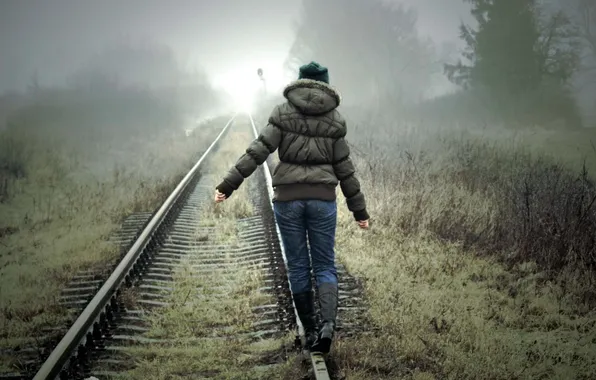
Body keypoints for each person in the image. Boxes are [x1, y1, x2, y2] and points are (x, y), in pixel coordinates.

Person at [214, 61, 369, 354]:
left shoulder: (282, 113)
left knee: (298, 265)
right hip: (322, 199)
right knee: (324, 264)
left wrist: (227, 185)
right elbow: (344, 169)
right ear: (326, 85)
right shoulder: (335, 120)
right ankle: (326, 327)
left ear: (299, 83)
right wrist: (359, 212)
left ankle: (310, 331)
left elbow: (258, 150)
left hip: (288, 198)